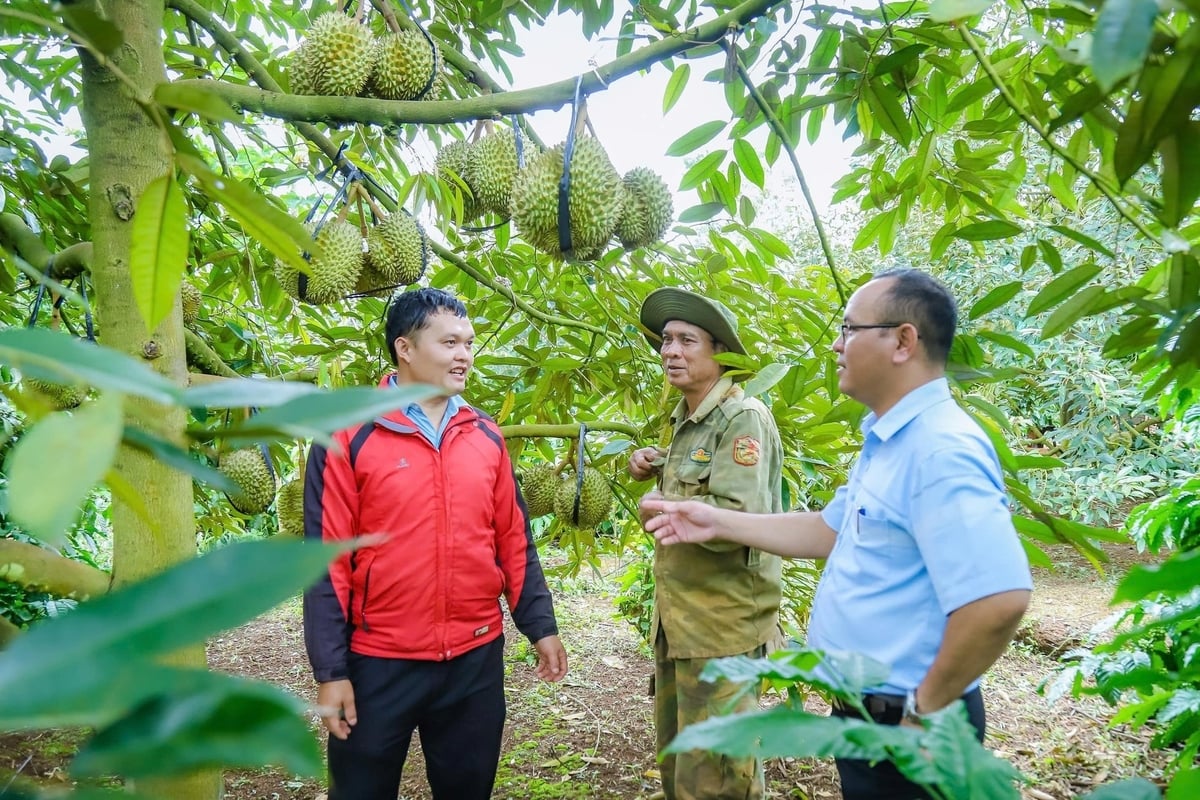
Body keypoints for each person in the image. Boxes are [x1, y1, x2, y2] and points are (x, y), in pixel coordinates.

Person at [643, 269, 1033, 800]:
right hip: (869, 711)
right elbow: (829, 530)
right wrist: (713, 519)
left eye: (850, 329)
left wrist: (926, 708)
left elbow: (1000, 599)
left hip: (908, 721)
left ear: (902, 341)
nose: (837, 342)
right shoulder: (891, 441)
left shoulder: (941, 449)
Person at [302, 287, 568, 800]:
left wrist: (540, 626)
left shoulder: (485, 435)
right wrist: (331, 671)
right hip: (378, 659)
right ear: (405, 348)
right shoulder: (345, 435)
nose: (464, 355)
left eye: (468, 343)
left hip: (474, 659)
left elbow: (513, 540)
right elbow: (325, 561)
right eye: (450, 343)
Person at [628, 287, 784, 800]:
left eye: (686, 340)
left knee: (721, 775)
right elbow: (681, 503)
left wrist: (671, 504)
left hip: (723, 630)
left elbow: (740, 520)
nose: (670, 350)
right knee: (682, 765)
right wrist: (650, 472)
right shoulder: (684, 420)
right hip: (682, 624)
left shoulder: (743, 419)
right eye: (667, 340)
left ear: (719, 352)